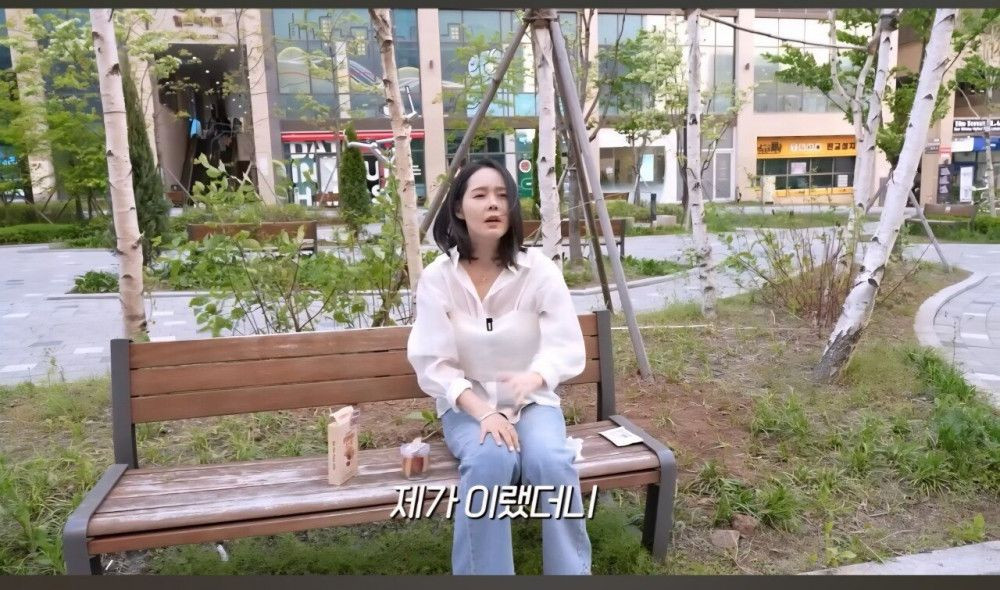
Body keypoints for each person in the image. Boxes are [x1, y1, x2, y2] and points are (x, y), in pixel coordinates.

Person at [406, 158, 592, 575]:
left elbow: (566, 344)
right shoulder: (438, 278)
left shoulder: (538, 271)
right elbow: (433, 363)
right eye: (481, 195)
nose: (494, 204)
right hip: (468, 407)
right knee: (491, 460)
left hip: (532, 402)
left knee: (551, 461)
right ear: (458, 209)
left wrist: (536, 376)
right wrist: (484, 412)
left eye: (503, 195)